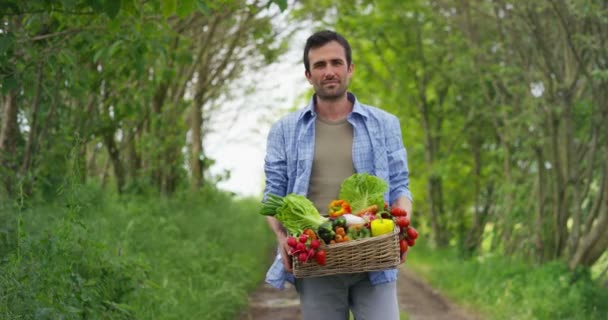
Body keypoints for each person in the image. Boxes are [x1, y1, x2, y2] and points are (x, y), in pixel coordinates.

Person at [262, 30, 413, 320]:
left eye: (336, 62)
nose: (329, 71)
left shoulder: (385, 124)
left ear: (350, 69)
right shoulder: (285, 130)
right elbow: (273, 195)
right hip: (317, 257)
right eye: (320, 65)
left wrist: (401, 231)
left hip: (373, 256)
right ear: (308, 75)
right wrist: (282, 238)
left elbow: (401, 186)